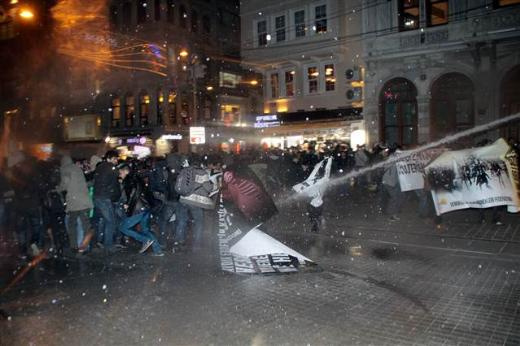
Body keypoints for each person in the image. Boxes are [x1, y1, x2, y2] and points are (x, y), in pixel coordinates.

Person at [118, 164, 164, 256]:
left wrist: (128, 204)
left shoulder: (129, 180)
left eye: (121, 172)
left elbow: (132, 194)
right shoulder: (137, 178)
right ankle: (158, 250)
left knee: (123, 227)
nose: (120, 175)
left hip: (138, 208)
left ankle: (145, 240)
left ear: (126, 171)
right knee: (145, 230)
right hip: (145, 207)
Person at [58, 155, 94, 252]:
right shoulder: (77, 169)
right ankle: (85, 247)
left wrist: (58, 188)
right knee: (85, 225)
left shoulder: (65, 169)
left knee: (72, 225)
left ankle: (74, 246)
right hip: (85, 201)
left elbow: (65, 184)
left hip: (74, 203)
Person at [93, 150, 121, 252]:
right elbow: (115, 183)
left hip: (97, 197)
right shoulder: (111, 168)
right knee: (111, 221)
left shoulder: (100, 167)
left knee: (101, 221)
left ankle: (97, 242)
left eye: (116, 159)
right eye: (114, 159)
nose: (116, 161)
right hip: (104, 198)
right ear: (109, 158)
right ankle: (108, 245)